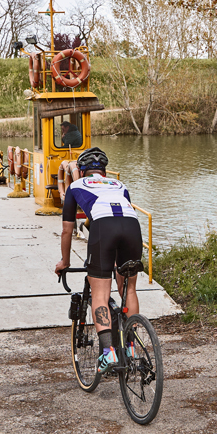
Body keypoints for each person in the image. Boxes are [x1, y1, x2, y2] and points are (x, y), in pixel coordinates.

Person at [54, 146, 143, 375]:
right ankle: (131, 347)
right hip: (132, 228)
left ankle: (108, 353)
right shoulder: (119, 185)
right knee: (128, 289)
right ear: (103, 172)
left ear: (81, 171)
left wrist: (64, 261)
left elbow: (67, 231)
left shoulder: (75, 186)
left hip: (105, 229)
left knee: (100, 293)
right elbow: (119, 215)